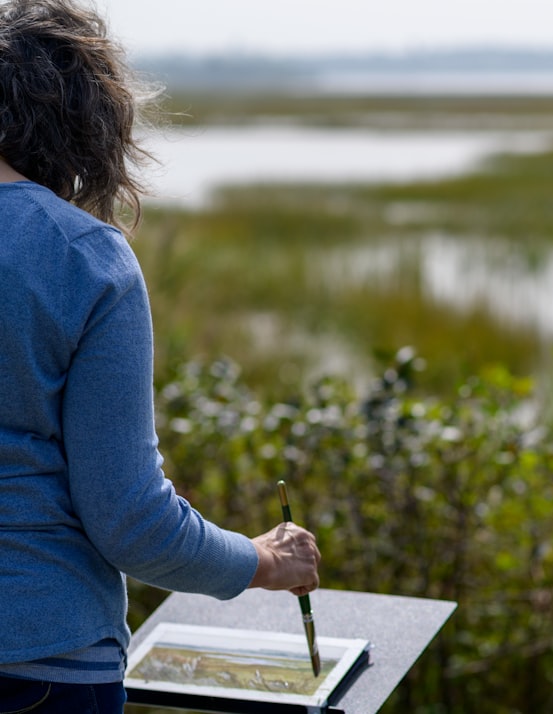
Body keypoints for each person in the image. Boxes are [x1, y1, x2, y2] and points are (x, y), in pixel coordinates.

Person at [0, 1, 321, 711]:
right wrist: (264, 560)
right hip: (42, 667)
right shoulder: (82, 259)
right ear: (82, 120)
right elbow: (132, 524)